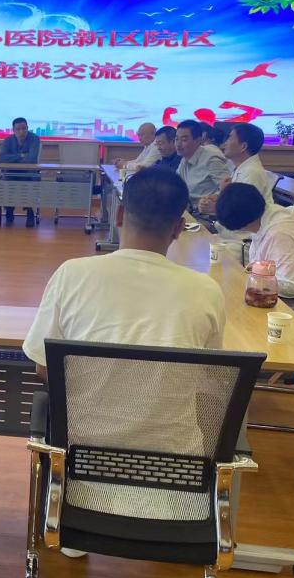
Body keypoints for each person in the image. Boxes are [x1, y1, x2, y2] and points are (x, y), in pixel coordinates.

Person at [22, 167, 226, 558]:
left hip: (81, 477)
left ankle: (77, 531)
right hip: (174, 481)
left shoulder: (73, 274)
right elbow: (209, 377)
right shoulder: (205, 291)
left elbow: (43, 369)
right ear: (179, 228)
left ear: (118, 214)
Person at [214, 183, 294, 314]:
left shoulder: (279, 234)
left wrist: (253, 281)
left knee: (230, 309)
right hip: (281, 297)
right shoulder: (265, 217)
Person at [0, 116, 41, 227]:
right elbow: (2, 158)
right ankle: (9, 210)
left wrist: (12, 158)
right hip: (11, 173)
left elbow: (31, 159)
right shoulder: (8, 140)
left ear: (27, 128)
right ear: (13, 130)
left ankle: (30, 212)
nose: (21, 132)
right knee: (5, 180)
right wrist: (21, 155)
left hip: (29, 173)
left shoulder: (34, 139)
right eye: (18, 129)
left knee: (32, 180)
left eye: (24, 128)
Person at [175, 119, 228, 208]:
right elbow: (176, 184)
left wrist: (213, 200)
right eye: (176, 139)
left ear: (198, 140)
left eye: (184, 140)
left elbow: (228, 188)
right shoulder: (185, 157)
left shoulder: (211, 159)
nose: (178, 144)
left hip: (207, 213)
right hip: (190, 210)